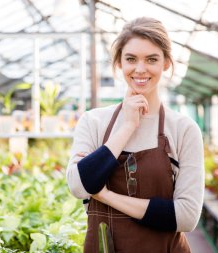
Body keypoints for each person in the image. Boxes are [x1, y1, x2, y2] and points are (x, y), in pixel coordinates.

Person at [66, 17, 204, 252]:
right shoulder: (93, 121)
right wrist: (127, 126)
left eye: (152, 59)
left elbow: (186, 216)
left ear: (166, 63)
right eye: (131, 59)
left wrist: (107, 196)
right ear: (119, 62)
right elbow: (80, 186)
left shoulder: (183, 129)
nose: (140, 69)